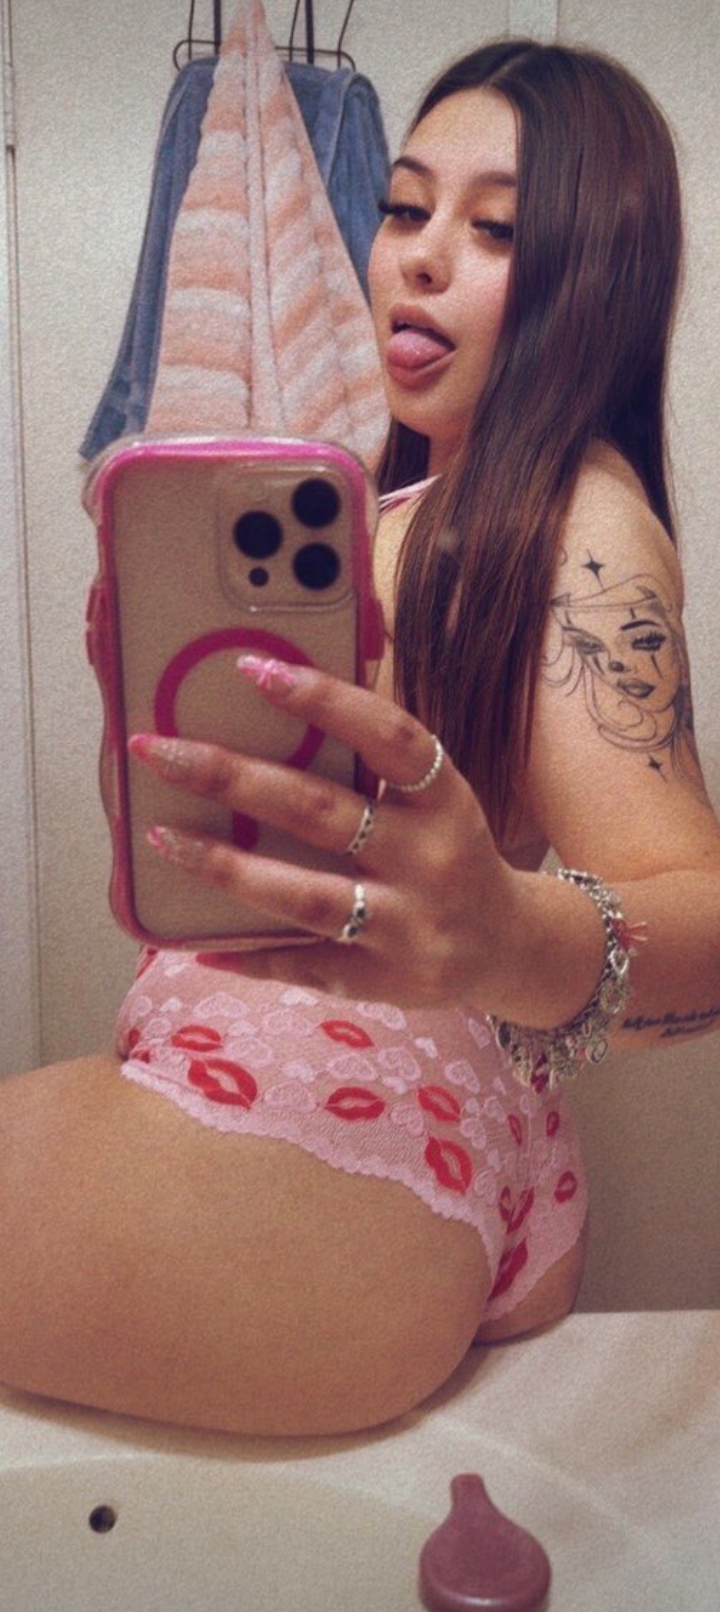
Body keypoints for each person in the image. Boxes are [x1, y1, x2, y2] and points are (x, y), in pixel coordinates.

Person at [2, 38, 719, 1439]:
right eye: (404, 208)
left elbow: (703, 910)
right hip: (384, 1129)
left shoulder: (574, 522)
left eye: (496, 230)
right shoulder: (405, 507)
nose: (420, 258)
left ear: (596, 281)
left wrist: (505, 934)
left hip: (334, 1122)